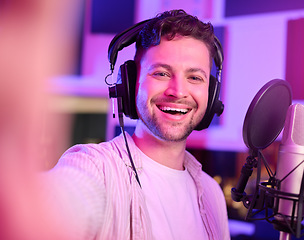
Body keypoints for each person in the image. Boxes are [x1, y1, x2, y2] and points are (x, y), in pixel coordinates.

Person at [43, 9, 230, 240]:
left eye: (194, 78)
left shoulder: (212, 194)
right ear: (129, 84)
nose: (178, 92)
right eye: (161, 73)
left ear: (211, 95)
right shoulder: (96, 169)